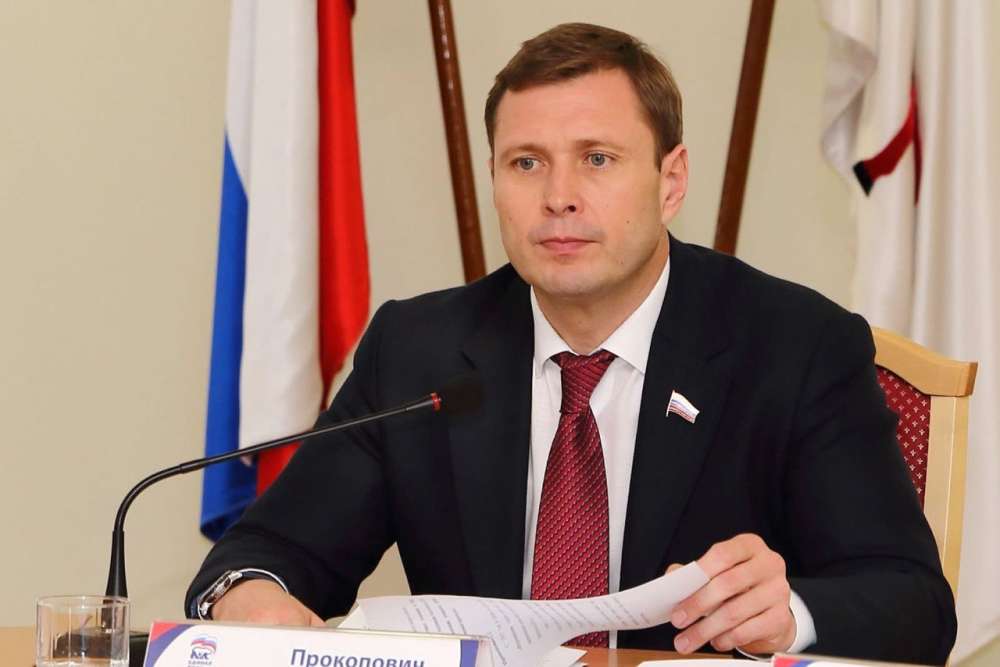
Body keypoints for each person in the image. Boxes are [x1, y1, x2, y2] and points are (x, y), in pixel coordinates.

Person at [186, 23, 956, 664]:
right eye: (527, 163)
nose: (559, 197)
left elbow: (912, 601)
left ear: (671, 181)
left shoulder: (795, 345)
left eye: (597, 158)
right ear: (495, 179)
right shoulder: (418, 351)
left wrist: (788, 612)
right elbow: (269, 551)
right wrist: (252, 595)